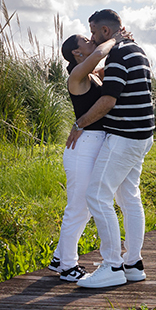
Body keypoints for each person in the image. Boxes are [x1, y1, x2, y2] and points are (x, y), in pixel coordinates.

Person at [68, 9, 155, 289]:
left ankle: (112, 267)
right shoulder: (136, 50)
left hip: (125, 136)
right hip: (143, 135)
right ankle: (133, 263)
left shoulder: (119, 53)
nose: (92, 38)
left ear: (105, 31)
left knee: (97, 195)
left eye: (93, 32)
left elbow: (108, 100)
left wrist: (79, 124)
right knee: (129, 196)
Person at [47, 32, 119, 282]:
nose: (91, 41)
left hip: (92, 145)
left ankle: (59, 257)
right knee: (77, 209)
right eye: (85, 42)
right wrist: (113, 39)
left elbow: (104, 65)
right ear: (77, 53)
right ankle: (68, 267)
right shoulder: (76, 76)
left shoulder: (91, 76)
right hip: (83, 148)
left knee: (85, 208)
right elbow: (100, 53)